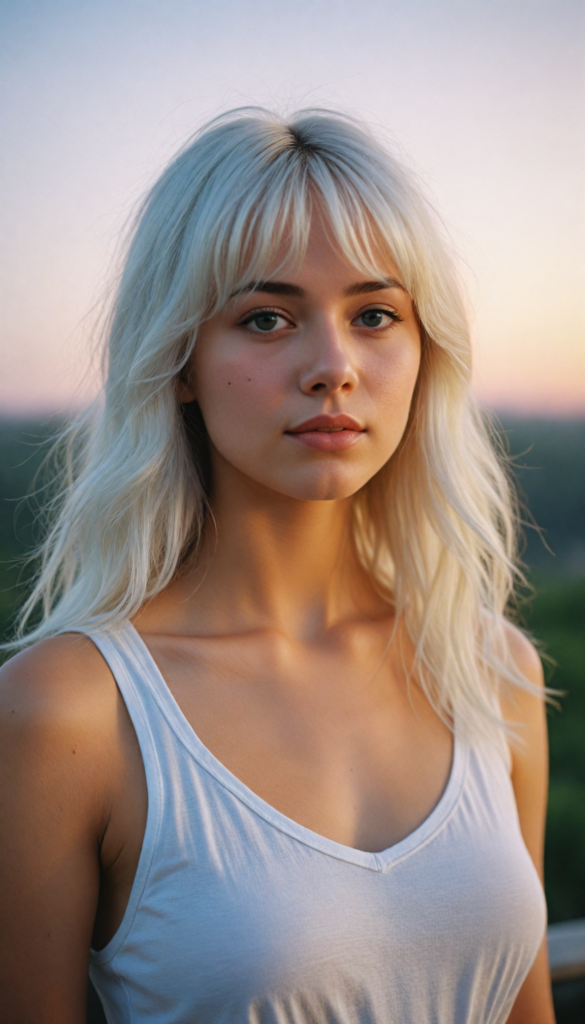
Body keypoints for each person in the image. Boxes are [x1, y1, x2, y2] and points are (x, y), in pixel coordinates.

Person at [0, 108, 555, 1024]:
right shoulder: (65, 713)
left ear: (423, 350)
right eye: (265, 318)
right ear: (178, 358)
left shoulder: (491, 672)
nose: (333, 366)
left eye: (375, 314)